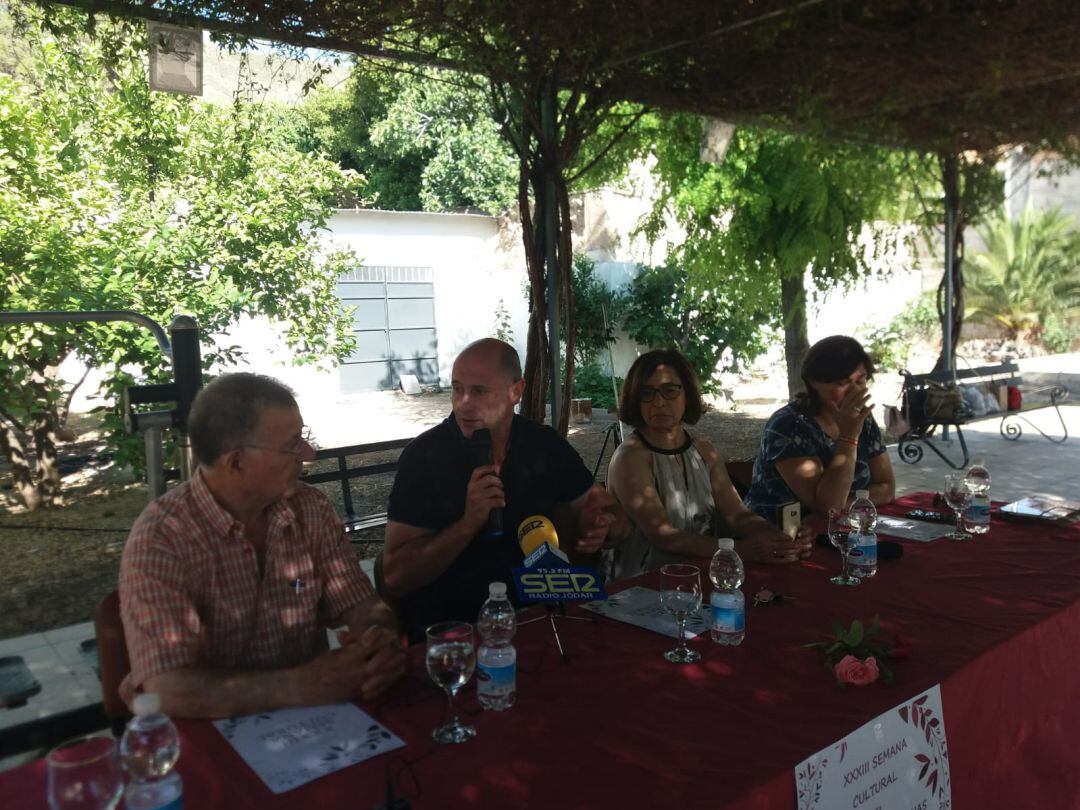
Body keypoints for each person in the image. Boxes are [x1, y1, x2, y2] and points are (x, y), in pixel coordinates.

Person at [119, 373, 406, 719]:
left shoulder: (309, 509)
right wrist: (301, 685)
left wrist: (380, 644)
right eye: (293, 444)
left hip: (311, 725)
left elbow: (362, 604)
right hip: (207, 741)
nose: (309, 453)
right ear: (236, 462)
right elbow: (168, 690)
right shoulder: (162, 538)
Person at [381, 338, 618, 641]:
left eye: (479, 391)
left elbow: (610, 512)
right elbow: (395, 577)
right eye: (457, 389)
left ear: (515, 391)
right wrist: (467, 525)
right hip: (452, 637)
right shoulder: (424, 457)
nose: (464, 402)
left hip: (540, 623)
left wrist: (604, 525)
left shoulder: (544, 445)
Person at [605, 349, 812, 580]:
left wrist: (779, 537)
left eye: (669, 390)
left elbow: (737, 514)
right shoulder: (631, 458)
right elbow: (664, 535)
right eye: (647, 393)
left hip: (703, 575)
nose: (659, 402)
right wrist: (740, 550)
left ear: (687, 395)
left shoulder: (704, 452)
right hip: (643, 586)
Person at [744, 335, 896, 521]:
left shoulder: (863, 418)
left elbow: (887, 488)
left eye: (861, 381)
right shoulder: (789, 426)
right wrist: (848, 438)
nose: (855, 392)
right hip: (781, 538)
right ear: (814, 382)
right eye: (842, 383)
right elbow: (829, 506)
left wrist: (847, 505)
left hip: (842, 527)